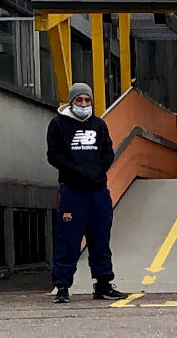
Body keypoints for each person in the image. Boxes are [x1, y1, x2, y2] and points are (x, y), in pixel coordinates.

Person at [47, 82, 127, 303]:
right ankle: (62, 286)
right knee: (68, 239)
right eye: (79, 100)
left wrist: (97, 172)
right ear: (71, 102)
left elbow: (108, 152)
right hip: (72, 192)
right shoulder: (57, 125)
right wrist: (78, 172)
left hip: (98, 192)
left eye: (87, 100)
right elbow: (54, 156)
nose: (83, 104)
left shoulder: (99, 125)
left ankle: (103, 283)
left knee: (101, 238)